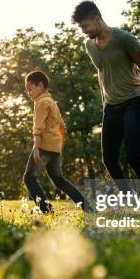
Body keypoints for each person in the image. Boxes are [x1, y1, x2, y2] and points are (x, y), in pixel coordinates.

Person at [72, 0, 140, 198]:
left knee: (133, 155)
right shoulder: (90, 45)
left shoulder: (125, 39)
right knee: (109, 160)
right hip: (111, 107)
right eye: (81, 27)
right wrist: (105, 102)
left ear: (97, 19)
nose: (83, 31)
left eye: (85, 26)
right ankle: (130, 199)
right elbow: (103, 73)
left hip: (134, 101)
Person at [23, 71, 92, 213]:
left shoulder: (41, 102)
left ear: (40, 85)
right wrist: (59, 148)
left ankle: (46, 210)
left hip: (43, 146)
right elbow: (62, 127)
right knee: (59, 180)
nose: (29, 93)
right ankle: (88, 207)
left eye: (30, 89)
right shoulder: (52, 103)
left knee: (29, 178)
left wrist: (36, 148)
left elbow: (38, 128)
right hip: (54, 147)